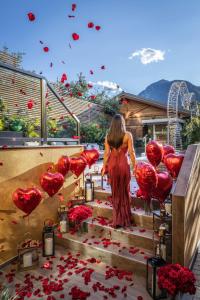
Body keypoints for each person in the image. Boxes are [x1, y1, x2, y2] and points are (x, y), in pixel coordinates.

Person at [101, 114, 136, 228]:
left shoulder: (108, 136)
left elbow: (106, 154)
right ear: (122, 123)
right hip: (123, 164)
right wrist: (135, 166)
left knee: (115, 191)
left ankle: (117, 218)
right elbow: (131, 152)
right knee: (124, 191)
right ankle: (124, 218)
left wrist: (103, 167)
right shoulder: (127, 135)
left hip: (112, 165)